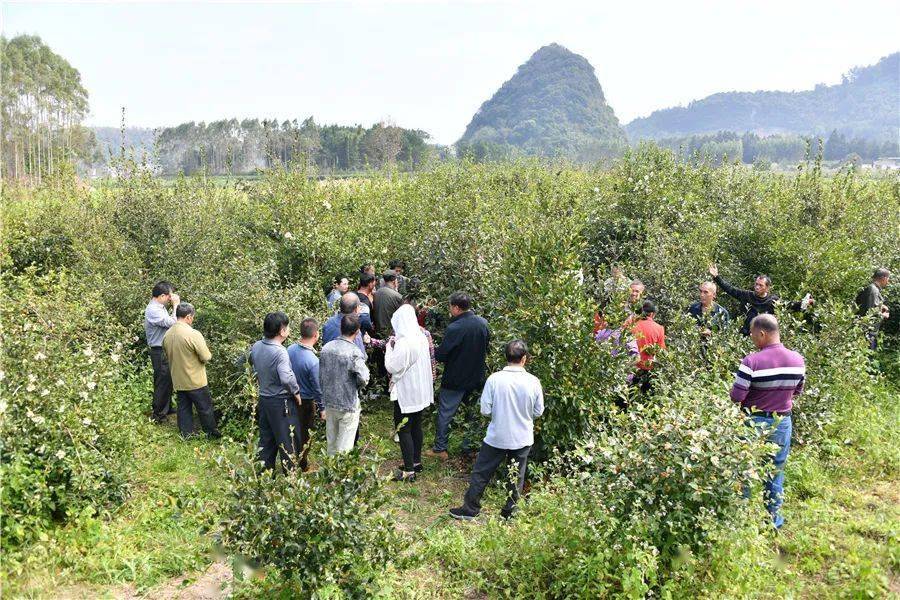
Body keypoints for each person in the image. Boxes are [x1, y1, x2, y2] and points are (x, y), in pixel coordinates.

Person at [449, 340, 544, 521]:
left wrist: (500, 413)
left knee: (481, 473)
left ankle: (470, 509)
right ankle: (509, 512)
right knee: (516, 476)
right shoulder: (533, 382)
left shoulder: (494, 379)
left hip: (497, 435)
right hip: (522, 437)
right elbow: (538, 411)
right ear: (524, 359)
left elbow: (485, 410)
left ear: (506, 357)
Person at [730, 314, 805, 529]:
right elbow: (797, 391)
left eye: (753, 334)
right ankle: (773, 522)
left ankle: (740, 520)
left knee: (744, 467)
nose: (752, 338)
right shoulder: (798, 360)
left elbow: (737, 396)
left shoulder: (751, 361)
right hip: (782, 422)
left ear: (762, 333)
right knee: (775, 470)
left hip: (752, 421)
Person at [427, 292, 491, 460]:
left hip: (455, 379)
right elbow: (487, 347)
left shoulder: (455, 328)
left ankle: (440, 448)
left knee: (445, 414)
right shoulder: (483, 324)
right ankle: (468, 448)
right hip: (476, 378)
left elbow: (442, 355)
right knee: (472, 415)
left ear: (456, 307)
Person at [384, 304, 434, 481]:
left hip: (407, 391)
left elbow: (391, 366)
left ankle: (408, 471)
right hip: (420, 389)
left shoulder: (404, 343)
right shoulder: (421, 337)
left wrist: (389, 348)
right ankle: (416, 462)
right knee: (416, 425)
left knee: (403, 428)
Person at [249, 312, 304, 471]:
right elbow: (286, 378)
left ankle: (264, 476)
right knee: (288, 441)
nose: (288, 330)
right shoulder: (280, 351)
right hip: (281, 403)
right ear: (281, 331)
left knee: (266, 440)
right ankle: (291, 479)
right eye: (287, 327)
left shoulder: (257, 345)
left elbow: (251, 363)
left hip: (264, 399)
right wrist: (296, 392)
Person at [162, 303, 221, 439]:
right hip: (195, 380)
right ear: (188, 317)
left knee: (183, 409)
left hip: (178, 379)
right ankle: (211, 434)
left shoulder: (167, 334)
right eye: (192, 317)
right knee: (204, 408)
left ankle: (186, 434)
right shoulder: (193, 334)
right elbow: (206, 357)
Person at [709, 264, 813, 336]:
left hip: (762, 337)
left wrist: (805, 303)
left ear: (767, 288)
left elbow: (789, 305)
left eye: (760, 285)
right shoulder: (747, 295)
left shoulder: (773, 301)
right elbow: (730, 289)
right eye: (756, 284)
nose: (757, 287)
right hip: (744, 335)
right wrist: (717, 277)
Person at [320, 314, 370, 455]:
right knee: (345, 446)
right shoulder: (354, 352)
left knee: (332, 442)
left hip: (329, 401)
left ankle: (329, 474)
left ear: (341, 328)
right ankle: (341, 476)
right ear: (357, 331)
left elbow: (321, 376)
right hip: (348, 402)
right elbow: (364, 378)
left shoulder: (326, 348)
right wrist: (356, 386)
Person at [287, 317, 324, 472]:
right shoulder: (313, 361)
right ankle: (303, 464)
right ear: (316, 335)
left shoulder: (289, 349)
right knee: (305, 434)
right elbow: (317, 388)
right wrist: (322, 408)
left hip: (289, 397)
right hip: (306, 402)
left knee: (291, 431)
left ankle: (289, 459)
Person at [144, 281, 180, 422]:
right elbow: (173, 322)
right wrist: (176, 305)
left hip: (164, 349)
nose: (171, 298)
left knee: (167, 380)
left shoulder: (160, 307)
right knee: (162, 381)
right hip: (159, 350)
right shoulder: (153, 310)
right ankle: (158, 414)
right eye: (169, 296)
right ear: (162, 295)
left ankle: (167, 407)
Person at [629, 300, 666, 394]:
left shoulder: (631, 325)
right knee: (648, 399)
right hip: (648, 368)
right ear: (652, 314)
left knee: (626, 397)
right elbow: (661, 351)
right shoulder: (659, 328)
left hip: (631, 367)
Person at [855, 267, 891, 350]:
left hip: (866, 330)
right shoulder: (873, 290)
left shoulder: (872, 288)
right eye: (888, 278)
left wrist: (880, 305)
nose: (888, 281)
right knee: (867, 357)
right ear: (883, 278)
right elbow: (870, 312)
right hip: (867, 331)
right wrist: (883, 315)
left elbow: (866, 304)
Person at [373, 271, 404, 337]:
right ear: (394, 281)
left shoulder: (376, 293)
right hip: (390, 334)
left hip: (377, 332)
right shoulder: (397, 296)